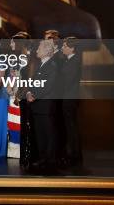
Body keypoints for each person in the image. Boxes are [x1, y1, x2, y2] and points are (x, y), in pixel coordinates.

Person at [26, 39, 59, 173]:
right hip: (38, 106)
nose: (37, 50)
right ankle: (42, 158)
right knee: (40, 134)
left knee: (48, 134)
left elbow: (48, 85)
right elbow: (34, 82)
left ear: (46, 51)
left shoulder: (52, 66)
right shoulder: (41, 64)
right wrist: (29, 92)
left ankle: (49, 161)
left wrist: (33, 95)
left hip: (45, 106)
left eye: (39, 48)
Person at [6, 33, 31, 159]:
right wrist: (9, 87)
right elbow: (12, 76)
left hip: (21, 97)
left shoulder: (27, 59)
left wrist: (19, 96)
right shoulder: (15, 59)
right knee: (13, 123)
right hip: (12, 95)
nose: (11, 45)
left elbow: (27, 80)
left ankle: (24, 151)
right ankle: (14, 151)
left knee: (23, 123)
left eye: (13, 42)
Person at [60, 36, 82, 167]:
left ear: (72, 48)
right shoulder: (69, 60)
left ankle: (74, 155)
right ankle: (73, 154)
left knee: (71, 127)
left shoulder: (74, 61)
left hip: (69, 99)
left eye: (64, 46)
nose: (62, 48)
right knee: (70, 127)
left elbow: (67, 81)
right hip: (68, 97)